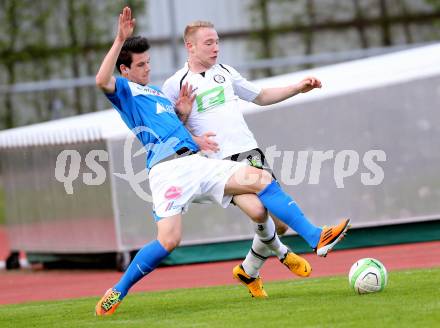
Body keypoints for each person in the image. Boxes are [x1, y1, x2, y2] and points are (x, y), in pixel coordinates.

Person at [95, 7, 349, 316]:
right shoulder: (125, 90)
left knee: (262, 186)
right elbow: (100, 80)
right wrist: (120, 37)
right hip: (167, 171)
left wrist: (187, 121)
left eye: (149, 63)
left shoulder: (157, 94)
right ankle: (117, 291)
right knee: (168, 241)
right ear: (125, 69)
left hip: (196, 162)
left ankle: (314, 238)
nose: (148, 69)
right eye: (141, 65)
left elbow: (173, 126)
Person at [162, 21, 325, 297]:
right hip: (219, 164)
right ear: (190, 46)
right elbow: (169, 131)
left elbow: (260, 96)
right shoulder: (174, 85)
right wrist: (183, 114)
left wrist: (297, 88)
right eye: (208, 43)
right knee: (258, 212)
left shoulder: (225, 73)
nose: (216, 48)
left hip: (249, 153)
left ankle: (248, 271)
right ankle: (291, 250)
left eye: (217, 41)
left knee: (279, 223)